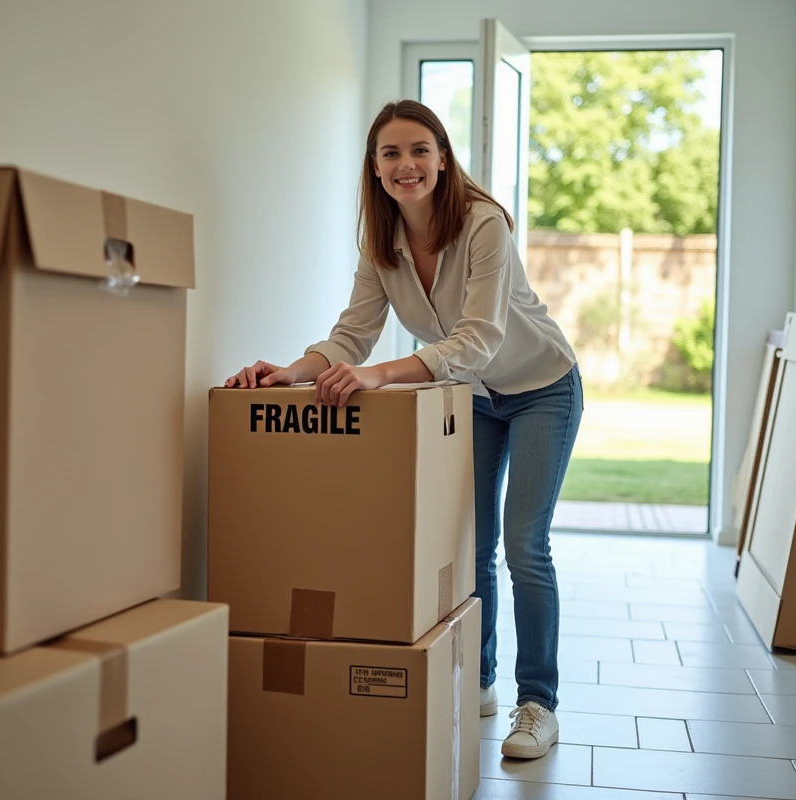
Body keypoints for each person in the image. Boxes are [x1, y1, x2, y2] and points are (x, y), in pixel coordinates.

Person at [224, 99, 582, 760]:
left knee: (524, 544)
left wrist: (383, 375)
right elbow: (351, 335)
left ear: (443, 158)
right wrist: (290, 373)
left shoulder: (483, 225)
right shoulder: (381, 244)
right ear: (375, 166)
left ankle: (538, 702)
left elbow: (479, 337)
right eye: (391, 153)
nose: (406, 164)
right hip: (475, 397)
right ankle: (476, 678)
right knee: (472, 545)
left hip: (542, 388)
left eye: (420, 149)